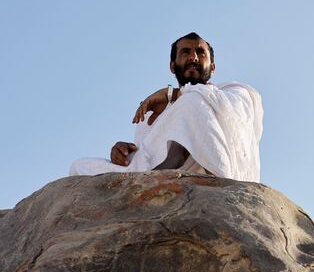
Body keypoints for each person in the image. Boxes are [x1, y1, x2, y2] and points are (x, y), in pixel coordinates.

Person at [69, 32, 263, 182]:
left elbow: (232, 115)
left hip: (208, 172)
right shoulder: (157, 108)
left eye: (200, 52)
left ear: (213, 67)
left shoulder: (235, 92)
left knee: (192, 102)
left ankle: (160, 179)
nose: (193, 57)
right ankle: (150, 181)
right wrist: (122, 152)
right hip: (147, 173)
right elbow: (149, 153)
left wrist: (175, 94)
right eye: (185, 52)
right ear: (172, 65)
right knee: (79, 167)